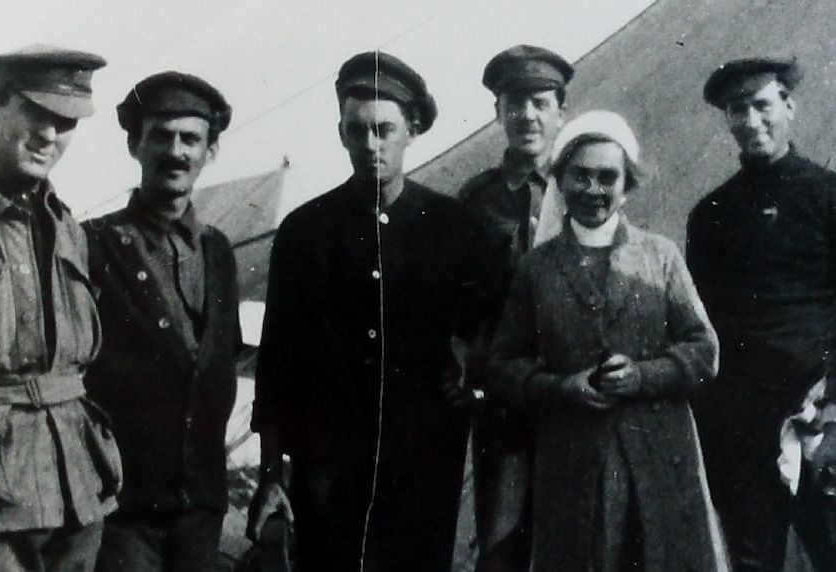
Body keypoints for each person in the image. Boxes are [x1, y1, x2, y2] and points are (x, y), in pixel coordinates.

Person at [248, 51, 490, 572]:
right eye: (357, 131)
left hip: (424, 463)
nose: (370, 145)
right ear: (340, 133)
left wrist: (472, 371)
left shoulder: (456, 229)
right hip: (329, 469)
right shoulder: (303, 232)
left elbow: (488, 330)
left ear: (414, 129)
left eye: (384, 129)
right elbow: (276, 364)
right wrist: (271, 472)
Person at [490, 111, 729, 571]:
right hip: (574, 453)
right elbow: (504, 364)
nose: (594, 190)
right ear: (560, 180)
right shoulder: (537, 269)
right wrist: (560, 387)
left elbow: (705, 350)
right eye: (580, 176)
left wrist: (644, 375)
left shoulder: (659, 255)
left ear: (627, 184)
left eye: (607, 177)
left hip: (663, 451)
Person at [82, 72, 240, 572]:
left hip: (202, 507)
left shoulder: (219, 251)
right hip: (123, 512)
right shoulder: (93, 245)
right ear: (135, 145)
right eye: (161, 136)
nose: (177, 152)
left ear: (210, 151)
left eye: (191, 138)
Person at [0, 45, 122, 571]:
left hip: (75, 494)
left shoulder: (68, 230)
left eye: (66, 123)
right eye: (37, 113)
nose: (50, 136)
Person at [687, 56, 836, 571]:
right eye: (736, 109)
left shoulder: (828, 195)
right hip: (742, 427)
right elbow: (699, 325)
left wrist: (830, 396)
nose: (751, 121)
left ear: (788, 106)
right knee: (754, 562)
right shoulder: (710, 216)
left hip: (820, 416)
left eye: (761, 104)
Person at [457, 44, 574, 571]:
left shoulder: (584, 189)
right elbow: (456, 303)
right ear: (498, 112)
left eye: (540, 102)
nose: (527, 115)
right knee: (502, 542)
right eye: (514, 102)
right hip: (502, 397)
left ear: (560, 112)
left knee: (571, 537)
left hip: (571, 391)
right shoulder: (475, 200)